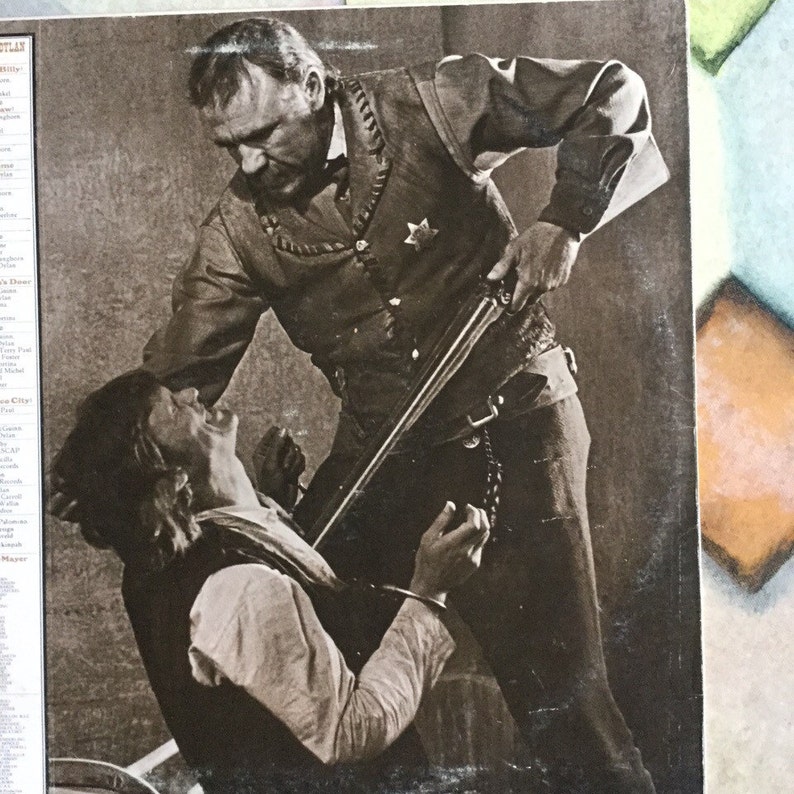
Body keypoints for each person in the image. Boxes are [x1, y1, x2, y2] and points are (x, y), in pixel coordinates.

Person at [142, 17, 667, 791]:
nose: (248, 163)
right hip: (382, 459)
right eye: (230, 147)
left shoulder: (437, 100)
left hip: (519, 423)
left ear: (312, 86)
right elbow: (170, 387)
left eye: (261, 135)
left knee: (565, 707)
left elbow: (611, 92)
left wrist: (565, 220)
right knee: (309, 660)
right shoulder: (234, 232)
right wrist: (125, 469)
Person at [52, 370, 490, 793]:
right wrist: (429, 591)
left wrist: (272, 500)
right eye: (173, 407)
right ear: (174, 481)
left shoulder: (176, 554)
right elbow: (351, 730)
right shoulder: (238, 588)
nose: (191, 394)